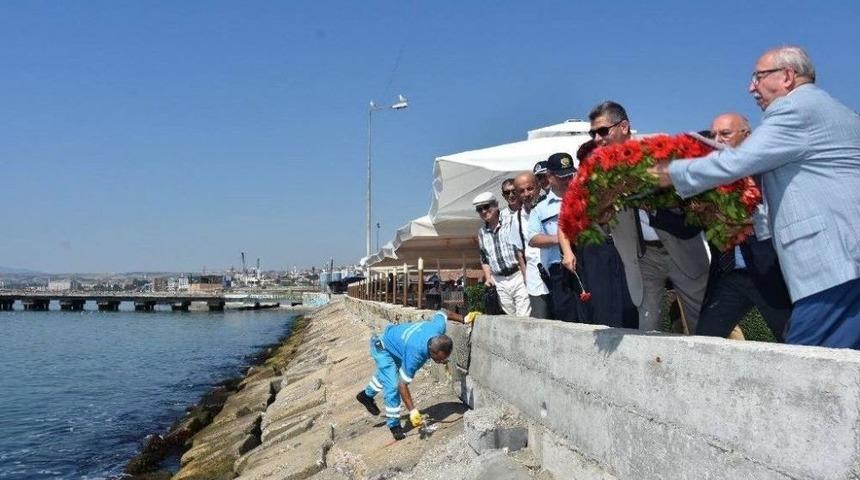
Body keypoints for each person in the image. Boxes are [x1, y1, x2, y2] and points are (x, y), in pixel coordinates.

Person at [652, 46, 860, 349]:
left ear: (787, 76)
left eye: (758, 77)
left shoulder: (795, 109)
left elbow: (739, 161)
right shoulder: (837, 111)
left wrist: (668, 172)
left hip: (832, 270)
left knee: (800, 368)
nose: (752, 87)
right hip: (847, 264)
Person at [589, 100, 710, 333]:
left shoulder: (659, 151)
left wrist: (650, 198)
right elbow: (599, 225)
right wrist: (601, 215)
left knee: (702, 324)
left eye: (602, 131)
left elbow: (693, 196)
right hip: (642, 257)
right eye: (592, 133)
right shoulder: (598, 171)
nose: (597, 138)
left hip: (681, 247)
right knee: (647, 326)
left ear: (624, 126)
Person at [696, 113, 791, 341]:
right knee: (704, 340)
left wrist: (743, 219)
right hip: (728, 276)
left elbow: (784, 213)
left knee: (794, 342)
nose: (717, 140)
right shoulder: (710, 176)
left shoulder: (768, 170)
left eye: (725, 134)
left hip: (769, 272)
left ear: (747, 136)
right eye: (713, 135)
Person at [356, 309, 477, 440]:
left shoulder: (437, 329)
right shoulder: (415, 355)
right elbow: (402, 385)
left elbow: (443, 313)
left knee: (387, 375)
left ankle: (366, 396)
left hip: (395, 343)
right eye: (439, 359)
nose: (442, 361)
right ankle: (394, 425)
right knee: (392, 385)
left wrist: (463, 318)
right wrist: (412, 411)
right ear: (432, 352)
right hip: (382, 348)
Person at [558, 140, 638, 328]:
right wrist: (567, 252)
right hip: (595, 252)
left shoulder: (622, 181)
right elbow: (563, 225)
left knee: (629, 306)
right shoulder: (578, 189)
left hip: (623, 249)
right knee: (603, 308)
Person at [528, 153, 584, 322]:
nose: (567, 180)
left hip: (586, 262)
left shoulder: (584, 198)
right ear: (550, 176)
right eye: (562, 177)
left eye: (570, 175)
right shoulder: (540, 208)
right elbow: (533, 239)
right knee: (567, 316)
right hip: (558, 268)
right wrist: (562, 238)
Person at [474, 192, 531, 316]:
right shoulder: (482, 233)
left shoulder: (511, 221)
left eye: (486, 207)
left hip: (517, 274)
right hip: (499, 280)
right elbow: (484, 258)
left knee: (523, 316)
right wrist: (488, 278)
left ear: (496, 205)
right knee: (509, 317)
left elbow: (521, 249)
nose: (484, 211)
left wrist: (525, 274)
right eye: (479, 209)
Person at [508, 172, 553, 318]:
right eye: (521, 191)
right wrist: (526, 276)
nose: (527, 194)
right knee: (541, 322)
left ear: (538, 187)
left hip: (558, 274)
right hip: (536, 279)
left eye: (530, 188)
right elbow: (520, 252)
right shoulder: (517, 219)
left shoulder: (551, 206)